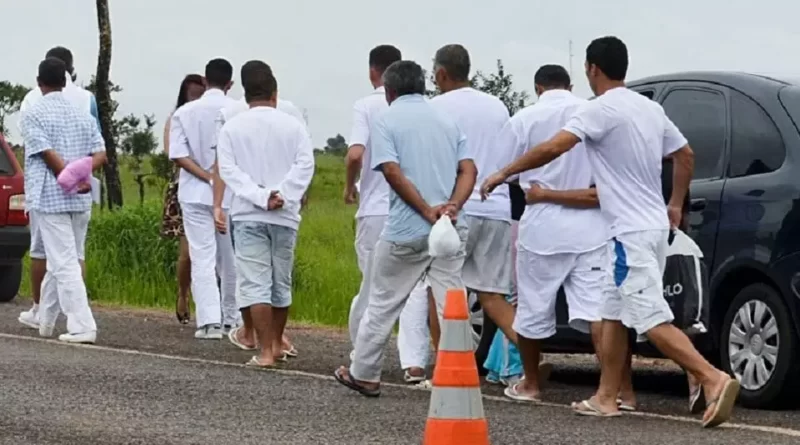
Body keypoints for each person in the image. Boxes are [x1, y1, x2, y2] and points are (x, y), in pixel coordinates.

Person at [480, 36, 739, 428]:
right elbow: (684, 154)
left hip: (628, 234)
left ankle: (712, 377)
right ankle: (606, 397)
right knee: (611, 313)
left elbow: (554, 148)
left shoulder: (599, 110)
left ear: (592, 69)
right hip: (649, 228)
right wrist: (674, 203)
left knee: (649, 317)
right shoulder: (649, 108)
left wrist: (504, 172)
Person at [333, 60, 477, 397]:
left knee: (383, 302)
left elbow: (392, 172)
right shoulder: (447, 120)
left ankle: (365, 373)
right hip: (451, 226)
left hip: (407, 229)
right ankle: (460, 377)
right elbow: (468, 169)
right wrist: (452, 205)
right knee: (451, 302)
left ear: (389, 90)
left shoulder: (386, 120)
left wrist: (426, 210)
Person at [495, 64, 633, 405]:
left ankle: (530, 383)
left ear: (538, 88)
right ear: (570, 85)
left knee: (532, 307)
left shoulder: (524, 120)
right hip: (590, 223)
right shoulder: (592, 113)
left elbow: (504, 170)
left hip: (542, 225)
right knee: (600, 313)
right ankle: (619, 391)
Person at [217, 60, 314, 367]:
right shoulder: (294, 126)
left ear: (246, 94)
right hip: (284, 214)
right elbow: (305, 165)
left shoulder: (232, 127)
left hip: (248, 213)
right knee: (280, 281)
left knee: (254, 282)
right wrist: (283, 194)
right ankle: (277, 342)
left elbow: (228, 170)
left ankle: (265, 351)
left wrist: (261, 196)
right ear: (275, 93)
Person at [342, 44, 430, 382]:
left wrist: (350, 186)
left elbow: (354, 154)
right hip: (416, 206)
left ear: (372, 72)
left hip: (376, 207)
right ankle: (414, 363)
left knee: (372, 288)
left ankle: (360, 357)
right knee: (414, 287)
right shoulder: (424, 108)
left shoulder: (367, 106)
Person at [426, 43, 516, 346]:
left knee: (441, 289)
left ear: (440, 73)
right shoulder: (497, 106)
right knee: (492, 295)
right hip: (497, 208)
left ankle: (444, 365)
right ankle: (531, 361)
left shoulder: (436, 108)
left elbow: (437, 162)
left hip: (457, 210)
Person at [19, 57, 107, 344]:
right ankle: (45, 320)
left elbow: (46, 153)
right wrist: (82, 175)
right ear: (66, 80)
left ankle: (82, 324)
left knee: (64, 262)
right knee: (62, 260)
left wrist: (68, 176)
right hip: (80, 199)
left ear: (38, 81)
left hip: (50, 197)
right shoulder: (81, 113)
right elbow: (100, 154)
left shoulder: (34, 112)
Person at [168, 58, 238, 339]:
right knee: (230, 258)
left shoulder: (184, 112)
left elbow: (178, 155)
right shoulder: (239, 110)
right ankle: (232, 318)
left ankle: (209, 322)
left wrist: (207, 176)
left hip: (194, 194)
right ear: (230, 84)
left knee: (202, 256)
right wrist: (220, 177)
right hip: (232, 194)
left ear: (206, 81)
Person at [160, 74, 206, 324]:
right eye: (192, 94)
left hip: (215, 189)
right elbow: (172, 152)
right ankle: (183, 294)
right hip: (185, 189)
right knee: (187, 252)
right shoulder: (176, 118)